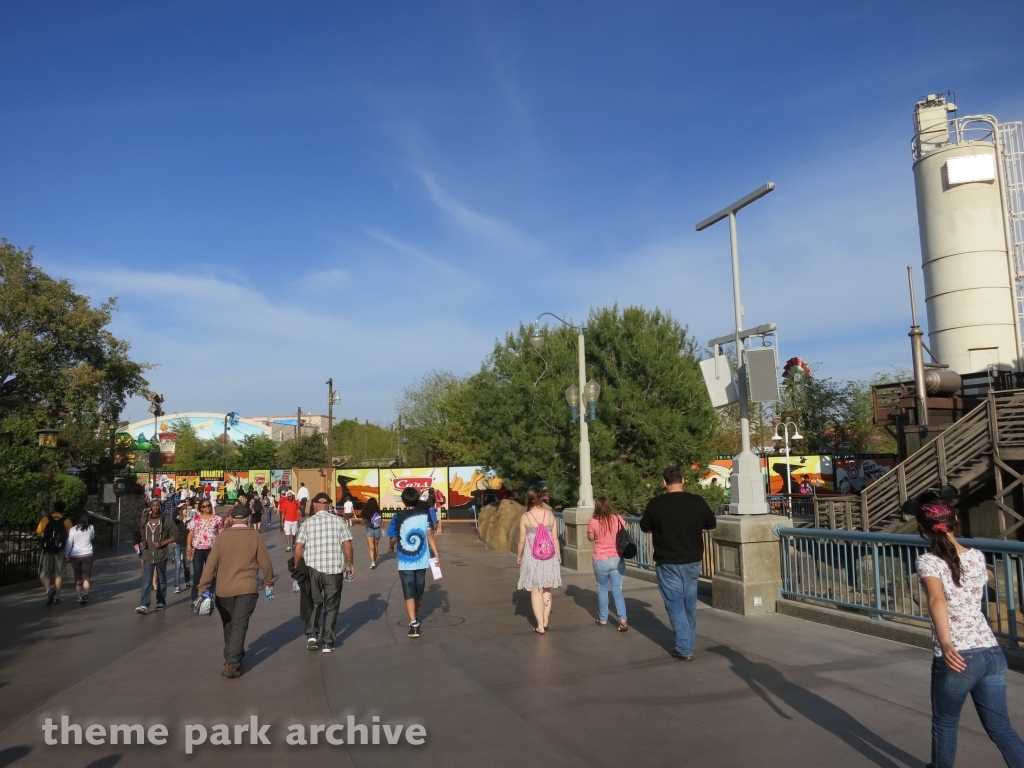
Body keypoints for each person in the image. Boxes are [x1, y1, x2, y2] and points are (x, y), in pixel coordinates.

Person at [915, 494, 1024, 767]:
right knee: (1001, 727)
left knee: (946, 723)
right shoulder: (977, 556)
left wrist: (946, 642)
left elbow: (937, 599)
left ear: (923, 529)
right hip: (991, 652)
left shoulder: (928, 561)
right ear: (956, 521)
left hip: (959, 656)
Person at [639, 466, 717, 661]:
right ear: (683, 480)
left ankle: (684, 647)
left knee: (674, 604)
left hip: (667, 561)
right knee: (689, 602)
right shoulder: (697, 502)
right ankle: (687, 641)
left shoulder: (656, 504)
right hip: (692, 560)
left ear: (664, 482)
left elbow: (645, 527)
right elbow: (711, 525)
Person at [197, 504, 275, 678]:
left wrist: (203, 587)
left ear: (231, 519)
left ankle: (233, 655)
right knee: (240, 623)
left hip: (223, 590)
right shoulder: (255, 536)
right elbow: (265, 562)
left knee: (229, 623)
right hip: (247, 589)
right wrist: (269, 581)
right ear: (248, 519)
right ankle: (232, 662)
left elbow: (210, 565)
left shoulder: (222, 537)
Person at [293, 492, 354, 653]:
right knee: (331, 605)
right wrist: (349, 564)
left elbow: (299, 547)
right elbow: (347, 544)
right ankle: (328, 641)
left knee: (314, 602)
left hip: (312, 568)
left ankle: (312, 635)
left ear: (314, 505)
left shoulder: (307, 523)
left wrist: (297, 567)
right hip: (334, 569)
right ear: (328, 506)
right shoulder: (338, 521)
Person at [388, 487, 440, 639]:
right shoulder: (425, 514)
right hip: (422, 560)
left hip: (405, 562)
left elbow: (392, 537)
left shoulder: (397, 516)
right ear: (417, 499)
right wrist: (436, 554)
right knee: (418, 591)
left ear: (403, 500)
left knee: (409, 593)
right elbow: (430, 534)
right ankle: (414, 618)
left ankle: (413, 621)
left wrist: (391, 547)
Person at [516, 486, 562, 634]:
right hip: (549, 555)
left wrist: (519, 555)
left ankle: (540, 625)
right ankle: (546, 620)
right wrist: (559, 554)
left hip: (532, 556)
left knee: (536, 589)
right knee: (546, 588)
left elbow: (521, 540)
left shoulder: (526, 517)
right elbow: (555, 537)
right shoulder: (549, 515)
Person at [587, 497, 627, 631]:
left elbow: (591, 538)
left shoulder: (593, 521)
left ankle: (603, 618)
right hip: (616, 558)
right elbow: (623, 530)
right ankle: (622, 618)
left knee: (602, 589)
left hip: (600, 559)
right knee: (617, 590)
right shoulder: (617, 518)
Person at [133, 501, 179, 615]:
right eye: (153, 505)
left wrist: (163, 543)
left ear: (160, 507)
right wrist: (141, 542)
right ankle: (144, 604)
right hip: (148, 554)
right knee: (147, 580)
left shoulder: (166, 520)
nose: (155, 507)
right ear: (150, 507)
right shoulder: (145, 519)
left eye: (157, 505)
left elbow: (175, 534)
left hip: (161, 554)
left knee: (162, 578)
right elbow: (139, 533)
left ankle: (161, 601)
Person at [187, 499, 225, 602]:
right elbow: (191, 534)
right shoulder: (195, 519)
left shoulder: (217, 519)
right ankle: (195, 597)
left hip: (212, 549)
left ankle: (209, 595)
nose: (207, 507)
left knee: (211, 573)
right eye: (204, 506)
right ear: (201, 508)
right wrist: (188, 546)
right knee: (198, 572)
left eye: (208, 505)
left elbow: (221, 535)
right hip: (198, 549)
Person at [37, 501, 73, 605]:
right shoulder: (67, 521)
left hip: (46, 550)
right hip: (59, 550)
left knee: (44, 573)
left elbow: (39, 533)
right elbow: (69, 537)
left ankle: (48, 591)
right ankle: (56, 596)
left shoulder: (45, 520)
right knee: (59, 574)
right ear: (63, 509)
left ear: (54, 508)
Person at [64, 514, 96, 605]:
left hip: (75, 555)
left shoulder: (73, 529)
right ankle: (86, 593)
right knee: (86, 575)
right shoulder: (91, 528)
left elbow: (69, 543)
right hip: (88, 554)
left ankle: (79, 596)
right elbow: (92, 537)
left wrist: (66, 554)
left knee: (78, 576)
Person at [172, 501, 194, 595]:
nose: (184, 510)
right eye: (183, 509)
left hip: (186, 545)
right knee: (178, 565)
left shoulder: (190, 520)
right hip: (177, 544)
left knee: (187, 565)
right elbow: (172, 517)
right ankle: (177, 586)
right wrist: (177, 507)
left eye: (185, 508)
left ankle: (187, 580)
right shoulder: (177, 520)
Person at [361, 496, 383, 568]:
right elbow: (381, 521)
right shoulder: (378, 510)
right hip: (377, 529)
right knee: (376, 546)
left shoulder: (365, 510)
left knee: (371, 546)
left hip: (369, 529)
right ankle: (374, 561)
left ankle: (373, 562)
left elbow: (363, 521)